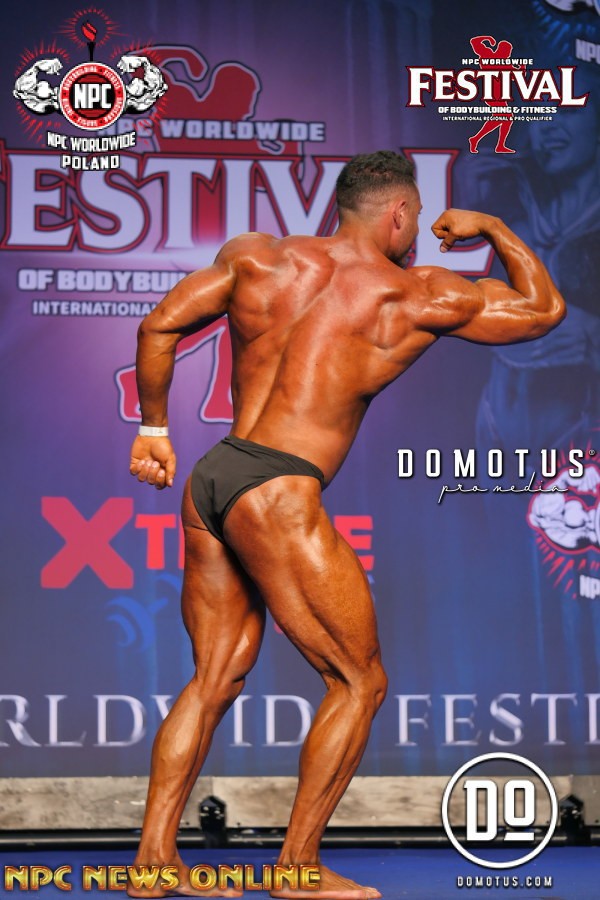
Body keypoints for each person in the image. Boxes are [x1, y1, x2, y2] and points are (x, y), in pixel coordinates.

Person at [128, 150, 565, 899]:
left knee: (211, 680)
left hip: (215, 477)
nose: (416, 234)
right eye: (414, 220)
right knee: (358, 681)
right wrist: (493, 227)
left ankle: (152, 862)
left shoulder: (258, 257)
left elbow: (159, 325)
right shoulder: (414, 294)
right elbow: (542, 311)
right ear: (399, 213)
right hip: (279, 491)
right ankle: (296, 872)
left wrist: (155, 430)